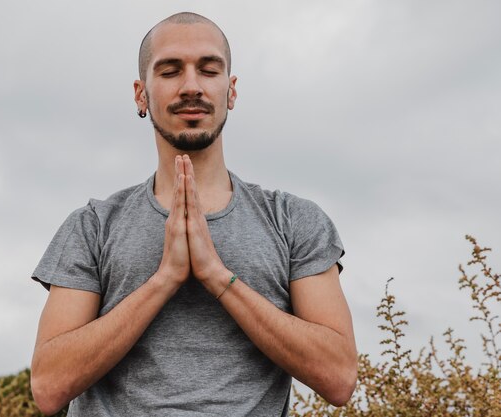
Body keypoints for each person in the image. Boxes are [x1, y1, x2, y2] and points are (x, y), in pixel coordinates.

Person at [30, 12, 357, 417]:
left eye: (208, 70)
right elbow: (48, 387)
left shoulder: (294, 220)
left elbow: (339, 377)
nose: (191, 86)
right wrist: (163, 280)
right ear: (140, 94)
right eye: (169, 71)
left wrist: (218, 277)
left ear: (231, 90)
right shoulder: (93, 225)